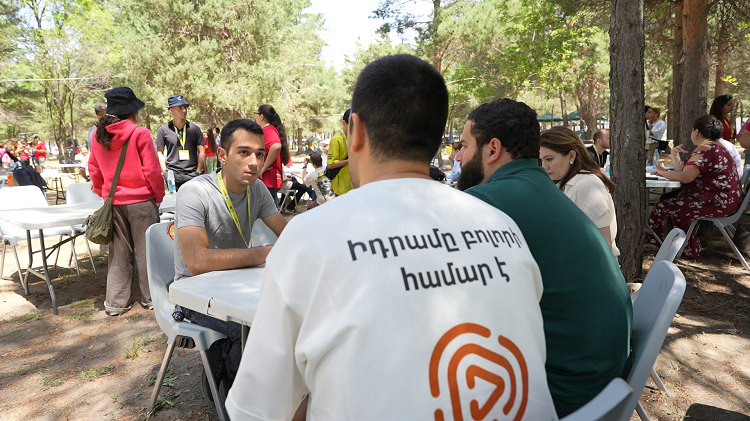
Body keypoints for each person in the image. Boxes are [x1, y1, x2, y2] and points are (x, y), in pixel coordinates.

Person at [226, 54, 556, 420]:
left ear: (356, 130)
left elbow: (255, 411)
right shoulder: (503, 228)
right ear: (436, 140)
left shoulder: (310, 237)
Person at [454, 98, 632, 417]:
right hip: (602, 381)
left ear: (492, 149)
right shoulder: (545, 190)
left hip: (564, 392)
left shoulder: (484, 201)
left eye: (464, 146)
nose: (458, 156)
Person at [173, 118, 287, 403]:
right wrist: (265, 252)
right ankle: (234, 388)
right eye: (244, 152)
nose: (254, 162)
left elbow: (287, 235)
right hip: (194, 293)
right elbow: (197, 262)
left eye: (260, 154)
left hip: (236, 284)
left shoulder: (257, 189)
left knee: (288, 317)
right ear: (222, 155)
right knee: (255, 330)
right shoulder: (194, 192)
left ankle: (250, 377)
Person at [88, 87, 165, 316]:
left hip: (114, 202)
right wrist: (158, 196)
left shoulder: (98, 136)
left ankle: (115, 304)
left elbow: (94, 169)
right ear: (133, 111)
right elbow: (152, 170)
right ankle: (152, 299)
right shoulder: (140, 133)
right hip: (142, 200)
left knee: (118, 254)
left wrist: (104, 193)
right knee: (147, 252)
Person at [647, 115, 742, 259]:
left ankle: (663, 245)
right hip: (726, 201)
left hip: (716, 202)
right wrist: (674, 155)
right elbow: (685, 171)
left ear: (696, 132)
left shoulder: (704, 148)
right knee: (668, 202)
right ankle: (666, 243)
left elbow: (686, 177)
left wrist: (662, 173)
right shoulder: (718, 147)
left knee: (663, 207)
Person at [540, 126, 619, 257]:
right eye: (541, 160)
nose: (544, 166)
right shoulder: (562, 182)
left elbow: (602, 246)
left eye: (549, 159)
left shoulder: (586, 185)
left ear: (571, 155)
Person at [155, 94, 205, 190]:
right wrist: (164, 172)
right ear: (171, 110)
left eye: (185, 107)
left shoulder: (195, 129)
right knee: (174, 199)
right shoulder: (163, 130)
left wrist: (198, 171)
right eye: (180, 108)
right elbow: (159, 152)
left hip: (192, 174)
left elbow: (202, 151)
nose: (184, 110)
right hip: (172, 175)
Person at [255, 104, 289, 203]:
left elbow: (276, 146)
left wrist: (264, 167)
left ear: (261, 116)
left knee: (266, 211)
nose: (255, 117)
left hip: (267, 180)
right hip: (268, 181)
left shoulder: (268, 130)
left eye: (256, 114)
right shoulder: (270, 129)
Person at [327, 110, 354, 195]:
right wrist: (350, 160)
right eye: (352, 126)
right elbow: (331, 164)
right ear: (344, 123)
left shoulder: (357, 138)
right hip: (341, 188)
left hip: (354, 186)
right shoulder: (337, 139)